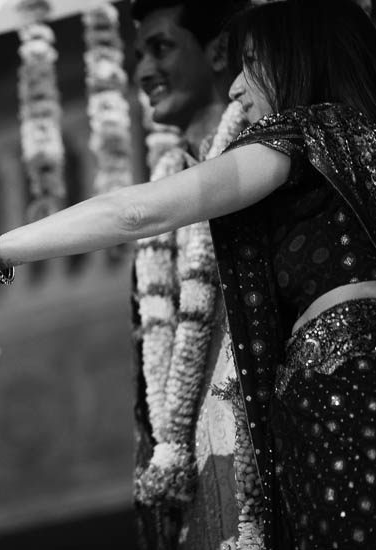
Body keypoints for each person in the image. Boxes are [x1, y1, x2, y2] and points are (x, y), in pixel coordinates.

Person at [0, 1, 376, 547]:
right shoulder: (358, 138)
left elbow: (136, 213)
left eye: (252, 64)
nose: (237, 87)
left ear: (297, 60)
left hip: (342, 385)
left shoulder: (303, 133)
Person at [130, 1, 247, 548]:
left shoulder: (266, 155)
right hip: (191, 476)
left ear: (219, 49)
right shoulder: (163, 197)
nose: (144, 72)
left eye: (161, 46)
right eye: (139, 55)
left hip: (268, 449)